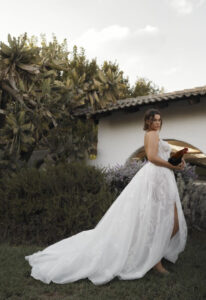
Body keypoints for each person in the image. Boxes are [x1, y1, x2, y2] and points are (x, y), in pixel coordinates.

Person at [25, 108, 188, 285]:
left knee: (172, 220)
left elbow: (162, 156)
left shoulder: (157, 136)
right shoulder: (151, 134)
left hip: (164, 177)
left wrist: (177, 161)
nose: (157, 123)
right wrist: (170, 166)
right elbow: (151, 157)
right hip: (155, 177)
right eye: (154, 120)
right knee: (158, 218)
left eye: (159, 120)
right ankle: (154, 260)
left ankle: (153, 254)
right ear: (148, 122)